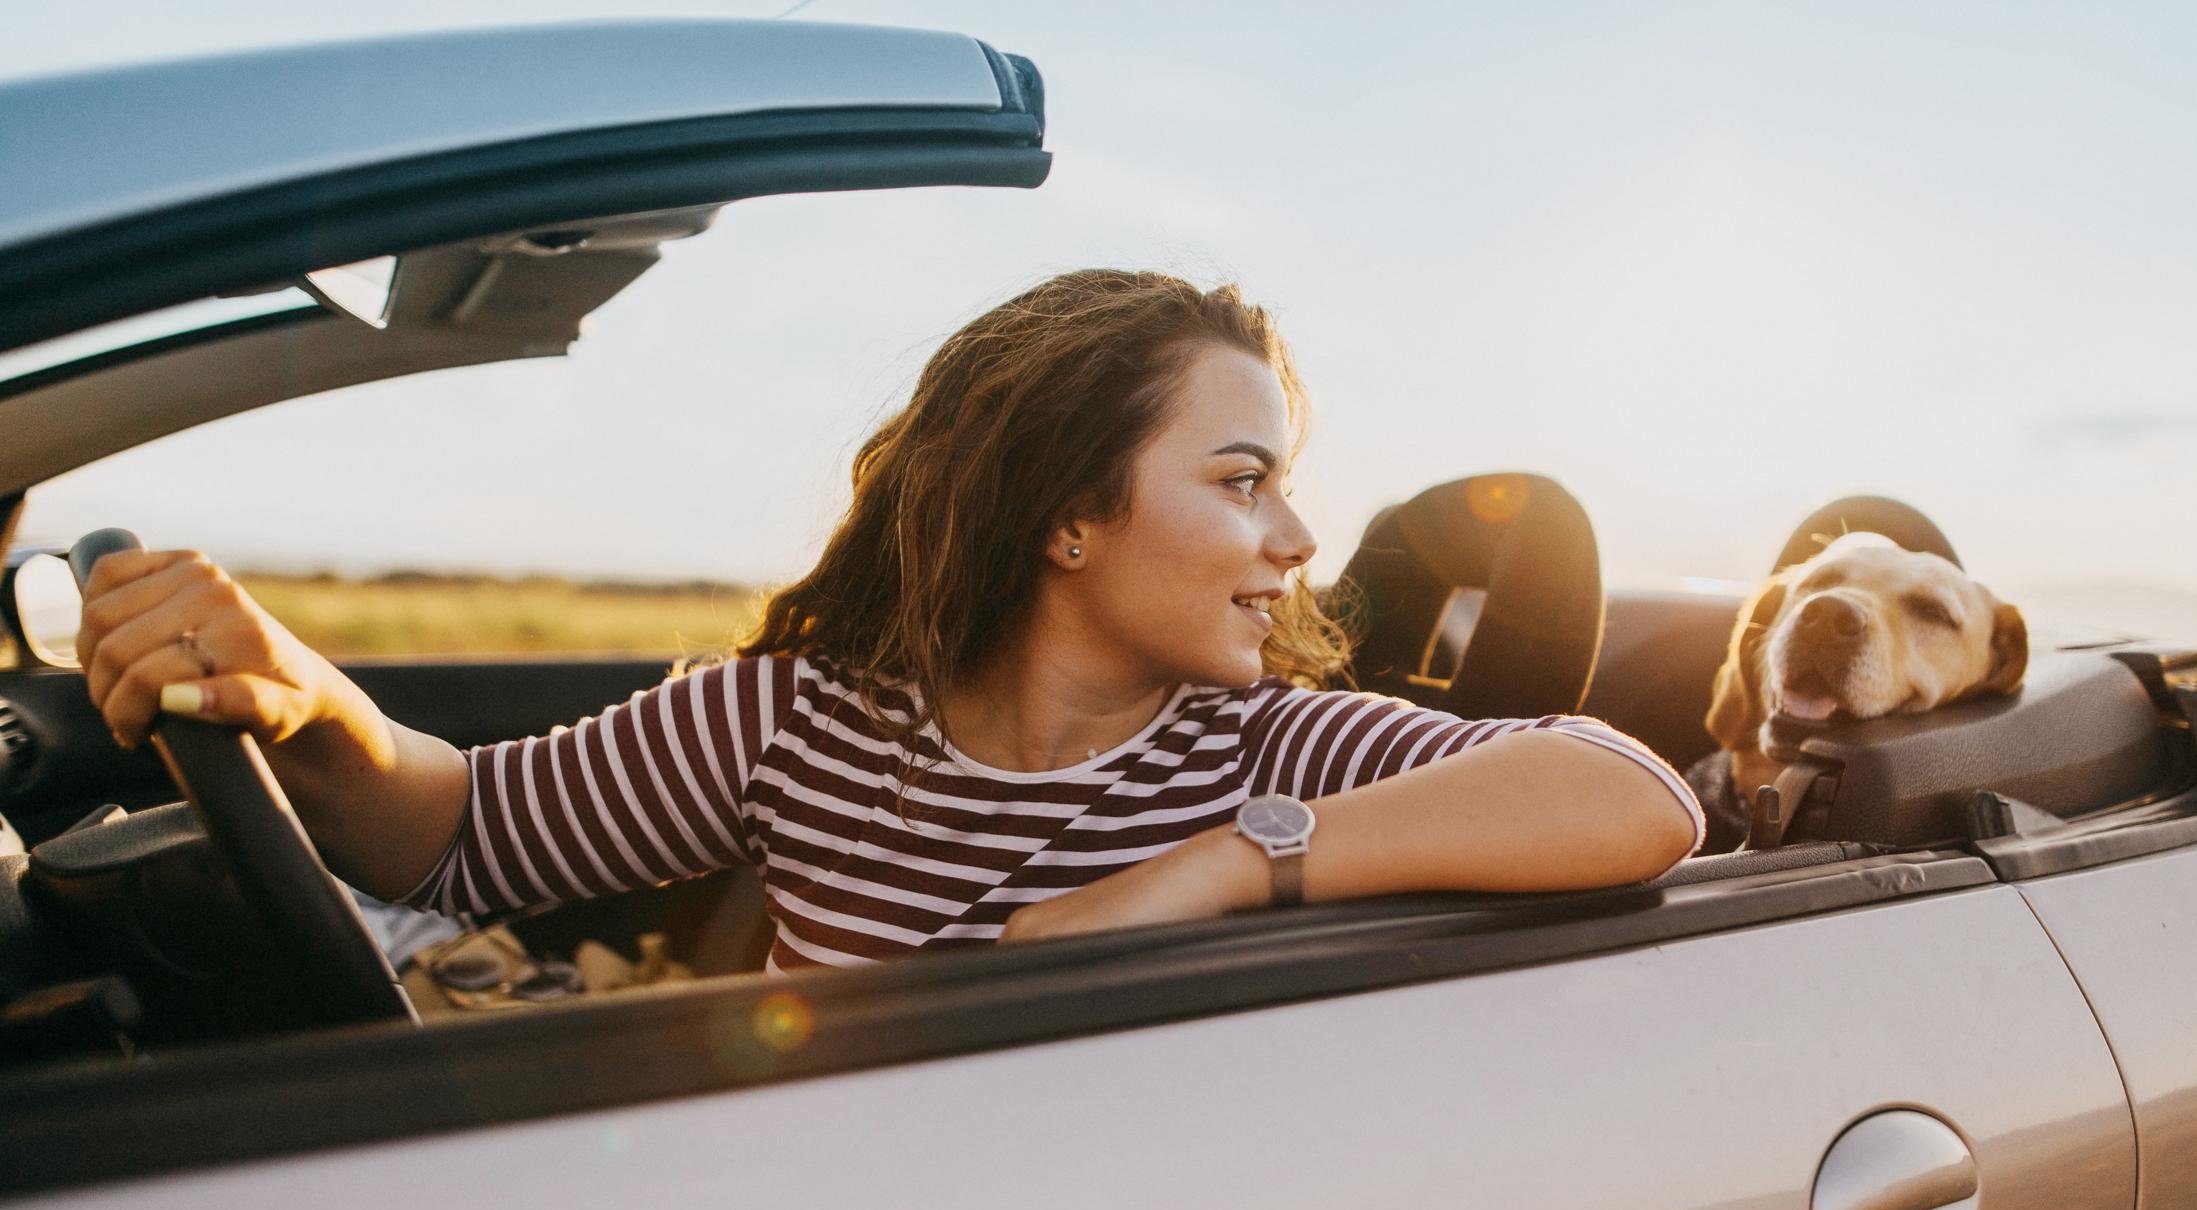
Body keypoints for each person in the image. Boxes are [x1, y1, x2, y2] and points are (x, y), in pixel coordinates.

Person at [74, 269, 1704, 972]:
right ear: (1067, 513)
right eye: (1242, 479)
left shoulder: (1264, 747)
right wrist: (300, 694)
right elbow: (455, 840)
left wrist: (1216, 865)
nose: (1299, 535)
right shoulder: (800, 720)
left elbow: (1635, 795)